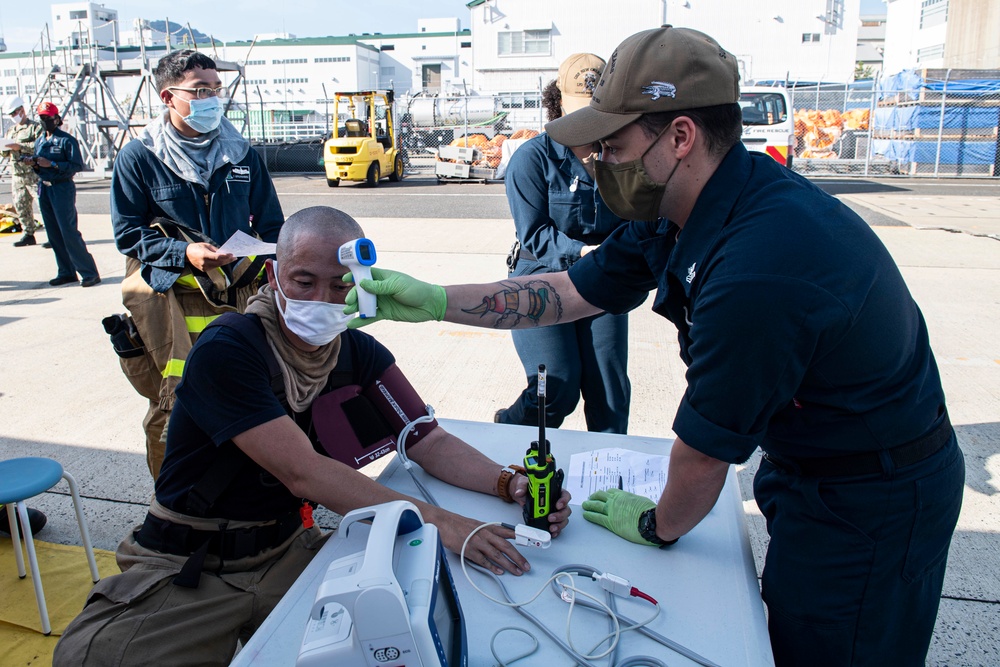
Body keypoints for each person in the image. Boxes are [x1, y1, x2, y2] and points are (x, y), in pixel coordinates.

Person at [342, 27, 965, 667]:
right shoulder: (680, 209)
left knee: (834, 646)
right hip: (812, 462)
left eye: (613, 146)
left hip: (875, 494)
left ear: (680, 137)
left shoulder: (758, 268)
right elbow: (569, 291)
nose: (599, 162)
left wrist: (656, 525)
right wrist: (436, 300)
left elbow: (700, 463)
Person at [53, 206, 570, 667]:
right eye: (304, 281)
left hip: (288, 549)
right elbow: (304, 471)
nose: (323, 299)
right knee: (90, 657)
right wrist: (445, 524)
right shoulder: (228, 349)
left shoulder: (355, 352)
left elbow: (426, 440)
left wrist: (512, 485)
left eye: (342, 284)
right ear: (274, 276)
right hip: (193, 564)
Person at [110, 49, 284, 479]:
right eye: (200, 90)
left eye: (216, 89)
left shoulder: (241, 153)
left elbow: (273, 225)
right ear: (169, 97)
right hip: (173, 296)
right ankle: (174, 498)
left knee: (250, 395)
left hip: (238, 291)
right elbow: (128, 234)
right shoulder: (140, 156)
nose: (212, 98)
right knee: (176, 401)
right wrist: (185, 254)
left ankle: (249, 488)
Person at [496, 53, 632, 434]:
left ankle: (607, 469)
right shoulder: (533, 159)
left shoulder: (621, 156)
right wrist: (584, 254)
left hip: (602, 278)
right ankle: (508, 428)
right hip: (541, 275)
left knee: (609, 391)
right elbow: (534, 235)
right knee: (556, 388)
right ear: (557, 105)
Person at [29, 102, 101, 287]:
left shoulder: (66, 140)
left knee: (68, 231)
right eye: (42, 118)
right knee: (53, 233)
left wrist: (52, 165)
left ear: (57, 119)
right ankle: (66, 271)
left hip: (61, 188)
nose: (45, 121)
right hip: (44, 188)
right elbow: (40, 163)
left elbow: (76, 166)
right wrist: (35, 163)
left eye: (48, 118)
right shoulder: (40, 140)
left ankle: (89, 272)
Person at [1, 96, 44, 247]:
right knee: (21, 205)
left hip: (33, 174)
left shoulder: (35, 127)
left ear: (22, 110)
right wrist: (4, 148)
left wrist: (20, 147)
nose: (13, 117)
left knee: (43, 204)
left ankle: (53, 235)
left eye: (14, 113)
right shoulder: (11, 130)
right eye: (11, 115)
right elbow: (7, 152)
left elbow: (41, 145)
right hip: (17, 175)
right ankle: (28, 234)